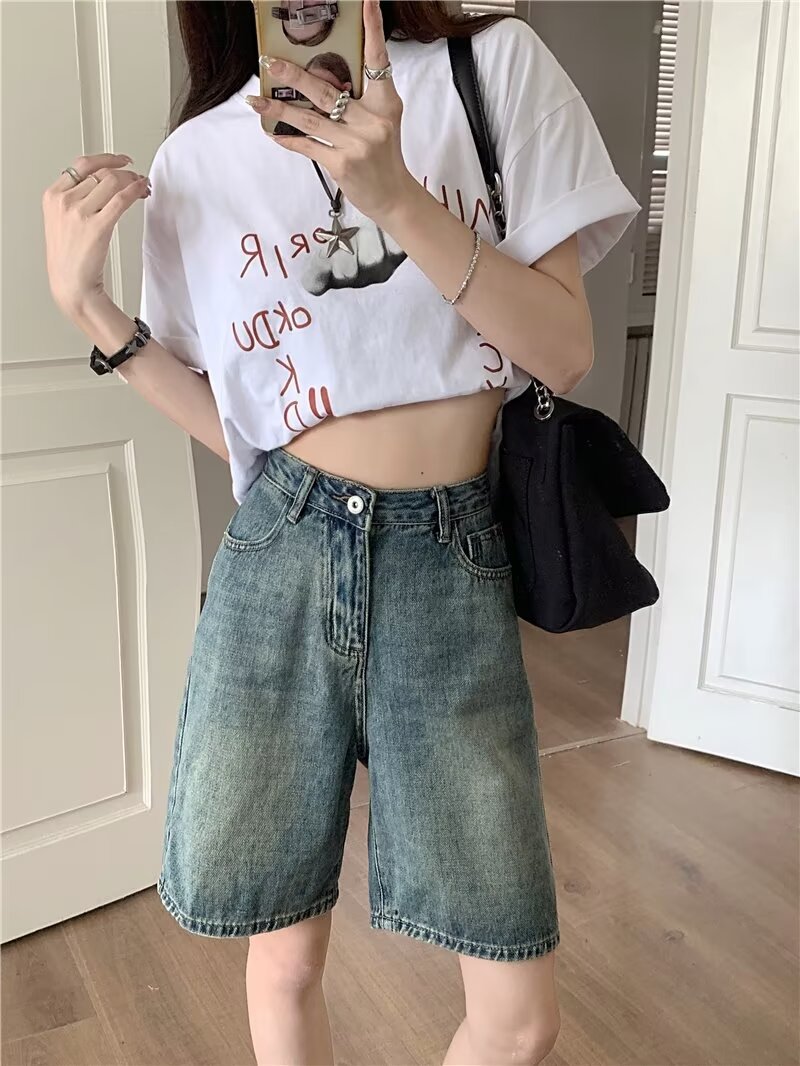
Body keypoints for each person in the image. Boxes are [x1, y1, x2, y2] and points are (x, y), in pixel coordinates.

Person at [41, 1, 639, 1063]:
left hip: (448, 558)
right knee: (281, 961)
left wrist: (396, 197)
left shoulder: (488, 71)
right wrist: (88, 306)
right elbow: (243, 431)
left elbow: (563, 351)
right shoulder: (198, 156)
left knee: (518, 1015)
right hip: (282, 547)